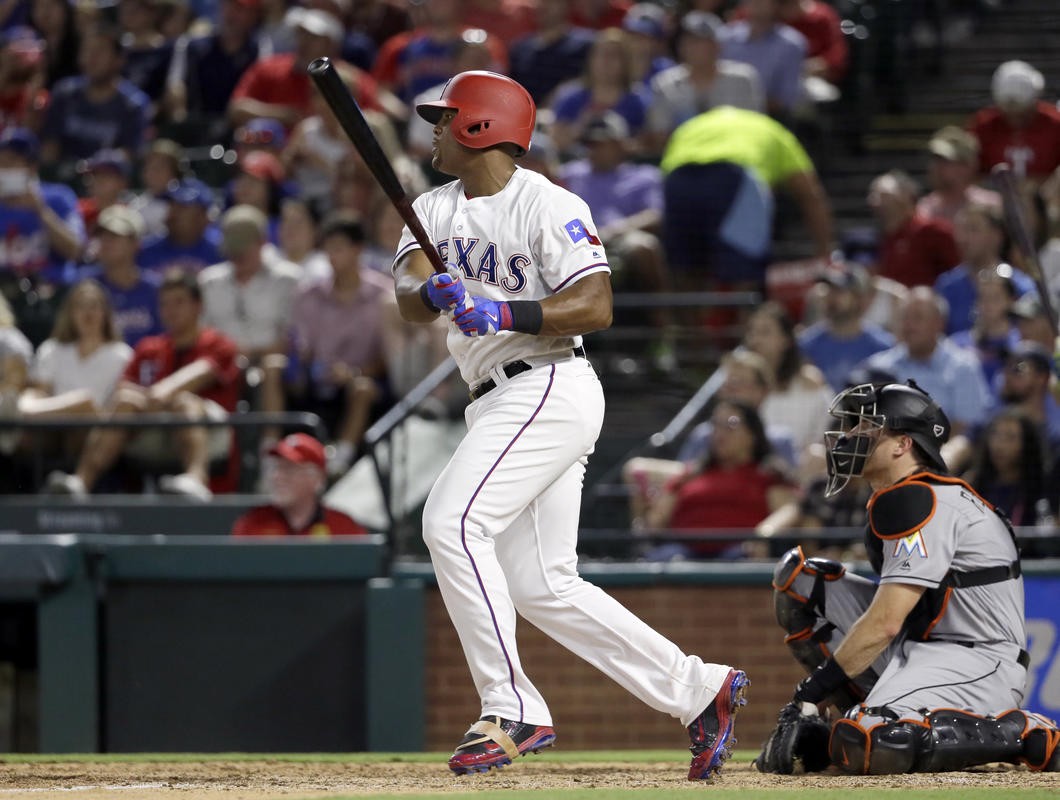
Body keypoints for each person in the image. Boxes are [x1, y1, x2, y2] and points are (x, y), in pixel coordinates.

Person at [392, 69, 749, 780]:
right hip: (494, 398)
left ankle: (512, 704)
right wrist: (426, 294)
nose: (434, 128)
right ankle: (699, 689)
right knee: (543, 585)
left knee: (453, 523)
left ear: (482, 125)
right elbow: (406, 297)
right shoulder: (431, 207)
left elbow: (596, 304)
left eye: (446, 115)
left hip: (549, 382)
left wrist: (505, 312)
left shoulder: (549, 204)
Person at [755, 380, 1060, 776]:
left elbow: (885, 621)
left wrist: (806, 695)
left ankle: (1023, 734)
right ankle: (861, 710)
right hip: (919, 644)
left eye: (867, 427)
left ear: (903, 445)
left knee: (870, 741)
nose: (850, 436)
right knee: (800, 582)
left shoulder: (924, 498)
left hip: (975, 657)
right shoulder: (903, 494)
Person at [42, 269, 242, 500]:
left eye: (179, 302)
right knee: (126, 403)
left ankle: (195, 479)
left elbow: (184, 384)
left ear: (198, 306)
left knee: (184, 402)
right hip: (153, 427)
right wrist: (151, 400)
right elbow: (123, 391)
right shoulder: (148, 347)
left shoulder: (219, 343)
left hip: (210, 430)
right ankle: (80, 483)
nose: (171, 310)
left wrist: (155, 399)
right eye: (165, 304)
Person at [660, 106, 834, 295]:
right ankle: (744, 320)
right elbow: (810, 195)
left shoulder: (692, 125)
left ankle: (690, 323)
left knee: (687, 268)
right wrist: (825, 253)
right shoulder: (773, 130)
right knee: (744, 268)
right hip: (733, 176)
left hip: (677, 180)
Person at [287, 213, 390, 476]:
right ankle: (272, 454)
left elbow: (388, 358)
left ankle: (340, 458)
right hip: (316, 382)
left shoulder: (384, 295)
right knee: (275, 370)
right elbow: (301, 348)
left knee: (362, 388)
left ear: (358, 250)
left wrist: (354, 373)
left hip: (365, 383)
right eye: (327, 249)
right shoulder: (308, 294)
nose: (331, 256)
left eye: (339, 249)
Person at [640, 398, 796, 560]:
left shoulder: (769, 475)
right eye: (715, 425)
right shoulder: (690, 474)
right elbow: (656, 521)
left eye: (731, 424)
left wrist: (764, 533)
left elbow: (789, 509)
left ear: (753, 434)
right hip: (683, 550)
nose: (720, 433)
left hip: (739, 551)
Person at [19, 279, 133, 456]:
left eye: (94, 306)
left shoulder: (123, 355)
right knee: (26, 424)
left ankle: (24, 414)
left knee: (84, 402)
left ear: (105, 313)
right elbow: (39, 392)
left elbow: (118, 405)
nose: (88, 313)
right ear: (70, 313)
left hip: (96, 432)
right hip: (52, 429)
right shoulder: (52, 349)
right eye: (81, 306)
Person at [642, 11, 763, 158]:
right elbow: (660, 135)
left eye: (700, 41)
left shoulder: (742, 79)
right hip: (685, 159)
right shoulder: (665, 83)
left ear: (717, 45)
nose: (692, 47)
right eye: (687, 41)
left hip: (735, 157)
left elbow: (754, 128)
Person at [38, 23, 151, 167]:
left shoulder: (133, 105)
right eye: (87, 50)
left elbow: (130, 154)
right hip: (63, 176)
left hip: (106, 179)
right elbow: (50, 145)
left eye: (100, 51)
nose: (91, 58)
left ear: (119, 60)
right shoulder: (65, 92)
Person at [231, 432, 368, 536]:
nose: (277, 476)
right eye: (276, 468)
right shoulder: (251, 525)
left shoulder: (344, 529)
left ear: (316, 479)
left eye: (289, 469)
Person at [548, 27, 651, 158]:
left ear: (626, 62)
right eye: (601, 54)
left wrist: (616, 143)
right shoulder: (570, 96)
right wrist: (581, 127)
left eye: (614, 55)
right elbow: (555, 141)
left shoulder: (639, 100)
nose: (606, 61)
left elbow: (647, 145)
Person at [933, 203, 1034, 335]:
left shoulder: (1021, 286)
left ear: (996, 236)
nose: (963, 238)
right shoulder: (947, 286)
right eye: (960, 230)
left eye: (973, 229)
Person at [798, 263, 895, 392]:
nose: (830, 297)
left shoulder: (883, 347)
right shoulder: (806, 345)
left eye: (838, 291)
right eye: (828, 290)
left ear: (858, 298)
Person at [80, 205, 162, 347]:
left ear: (135, 243)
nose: (106, 242)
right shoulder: (87, 287)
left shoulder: (155, 289)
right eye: (102, 236)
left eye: (114, 236)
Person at [970, 60, 1060, 183]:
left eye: (1023, 112)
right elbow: (968, 171)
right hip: (993, 198)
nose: (1016, 118)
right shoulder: (983, 126)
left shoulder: (1055, 123)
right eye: (1009, 111)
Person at [867, 170, 960, 289]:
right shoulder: (877, 240)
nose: (875, 201)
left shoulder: (933, 231)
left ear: (906, 195)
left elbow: (957, 272)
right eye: (872, 195)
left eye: (883, 195)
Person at [962, 405, 1048, 528]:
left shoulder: (1040, 490)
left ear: (1027, 445)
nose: (999, 445)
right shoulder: (973, 485)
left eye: (1010, 437)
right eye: (995, 434)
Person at [717, 0, 806, 119]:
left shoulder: (792, 44)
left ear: (775, 4)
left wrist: (746, 109)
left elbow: (786, 99)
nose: (756, 3)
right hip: (720, 115)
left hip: (770, 119)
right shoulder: (725, 37)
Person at [508, 0, 595, 107]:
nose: (543, 6)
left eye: (551, 2)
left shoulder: (586, 45)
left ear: (567, 6)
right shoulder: (520, 48)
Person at [916, 126, 1001, 225]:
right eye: (934, 160)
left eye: (944, 161)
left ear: (967, 166)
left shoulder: (991, 207)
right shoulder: (924, 209)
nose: (935, 167)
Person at [139, 177, 222, 275]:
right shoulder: (144, 251)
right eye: (171, 205)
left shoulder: (221, 253)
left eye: (181, 207)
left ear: (202, 216)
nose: (173, 213)